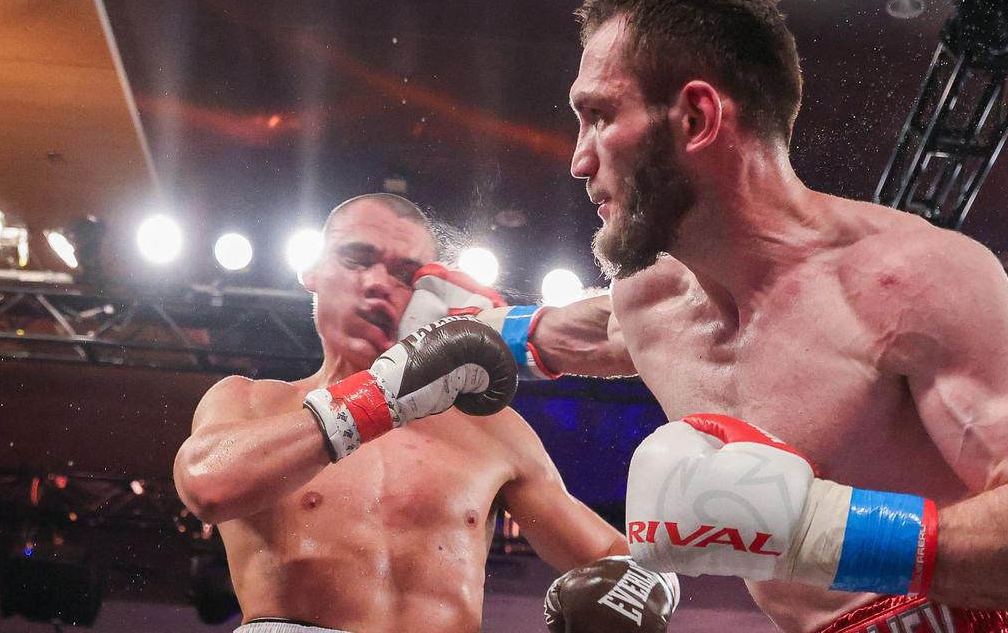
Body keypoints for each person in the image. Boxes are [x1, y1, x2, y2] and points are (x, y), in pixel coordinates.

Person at [480, 0, 1008, 633]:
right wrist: (468, 333)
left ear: (697, 117)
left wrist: (815, 529)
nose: (579, 159)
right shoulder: (647, 304)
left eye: (599, 116)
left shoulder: (908, 281)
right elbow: (594, 333)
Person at [173, 194, 677, 633]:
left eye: (403, 273)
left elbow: (621, 564)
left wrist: (657, 578)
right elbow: (208, 485)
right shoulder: (252, 400)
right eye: (357, 258)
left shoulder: (493, 431)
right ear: (313, 270)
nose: (378, 283)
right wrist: (380, 396)